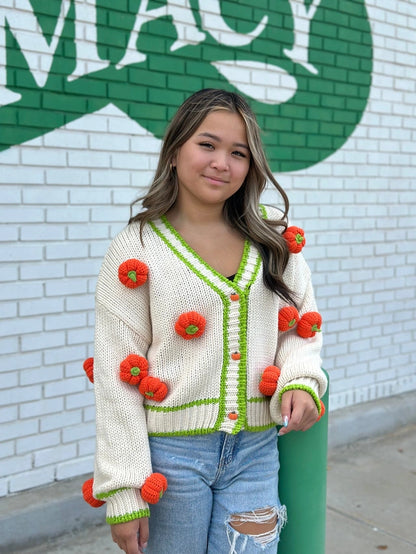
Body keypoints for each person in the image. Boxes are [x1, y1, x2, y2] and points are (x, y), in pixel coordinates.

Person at [92, 88, 327, 554]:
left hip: (256, 452)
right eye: (208, 144)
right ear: (176, 149)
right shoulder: (136, 248)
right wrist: (123, 490)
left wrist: (300, 379)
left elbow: (300, 326)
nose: (223, 162)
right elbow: (116, 373)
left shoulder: (273, 243)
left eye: (238, 153)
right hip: (170, 461)